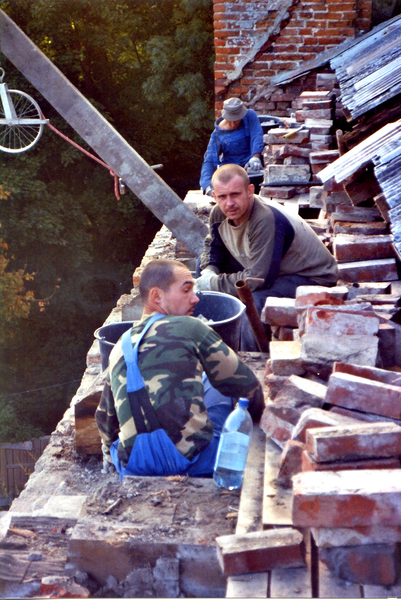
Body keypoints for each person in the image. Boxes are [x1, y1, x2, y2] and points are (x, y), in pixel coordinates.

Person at [95, 258, 264, 479]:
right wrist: (258, 416)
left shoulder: (120, 346)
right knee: (218, 388)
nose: (195, 298)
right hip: (194, 461)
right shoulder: (191, 327)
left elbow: (105, 418)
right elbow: (247, 386)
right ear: (157, 296)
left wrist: (109, 455)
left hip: (134, 465)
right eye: (186, 291)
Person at [195, 164, 339, 351]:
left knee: (252, 299)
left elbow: (258, 279)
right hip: (275, 267)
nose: (229, 203)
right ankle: (218, 332)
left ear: (250, 191)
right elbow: (214, 248)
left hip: (310, 277)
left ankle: (250, 357)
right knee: (202, 265)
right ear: (214, 196)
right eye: (222, 196)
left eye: (235, 194)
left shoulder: (265, 219)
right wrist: (209, 272)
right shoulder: (219, 213)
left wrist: (212, 284)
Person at [200, 97, 264, 196]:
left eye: (237, 120)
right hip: (231, 173)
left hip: (251, 168)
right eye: (230, 120)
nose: (233, 123)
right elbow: (209, 161)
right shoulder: (217, 135)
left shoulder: (250, 116)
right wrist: (207, 186)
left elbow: (257, 136)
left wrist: (255, 157)